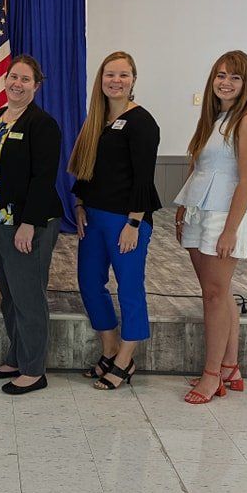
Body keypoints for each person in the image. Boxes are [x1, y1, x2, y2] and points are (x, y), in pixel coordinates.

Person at [175, 50, 247, 404]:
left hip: (224, 215)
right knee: (219, 291)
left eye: (235, 77)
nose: (225, 82)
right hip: (200, 210)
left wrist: (230, 230)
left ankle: (212, 375)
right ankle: (230, 366)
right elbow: (198, 168)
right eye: (220, 75)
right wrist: (184, 210)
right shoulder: (216, 118)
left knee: (214, 295)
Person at [69, 51, 161, 391]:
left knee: (129, 288)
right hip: (92, 216)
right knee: (90, 283)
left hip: (127, 220)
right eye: (110, 74)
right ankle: (109, 349)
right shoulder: (98, 118)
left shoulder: (142, 122)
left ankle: (125, 359)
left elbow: (143, 178)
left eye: (123, 75)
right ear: (101, 79)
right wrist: (80, 204)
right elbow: (87, 168)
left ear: (134, 79)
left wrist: (134, 223)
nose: (116, 80)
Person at [0, 55, 63, 395]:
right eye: (13, 77)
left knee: (28, 297)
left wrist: (28, 222)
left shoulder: (42, 124)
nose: (17, 84)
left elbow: (43, 178)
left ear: (36, 86)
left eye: (25, 79)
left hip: (25, 224)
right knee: (10, 295)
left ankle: (34, 369)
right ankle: (16, 356)